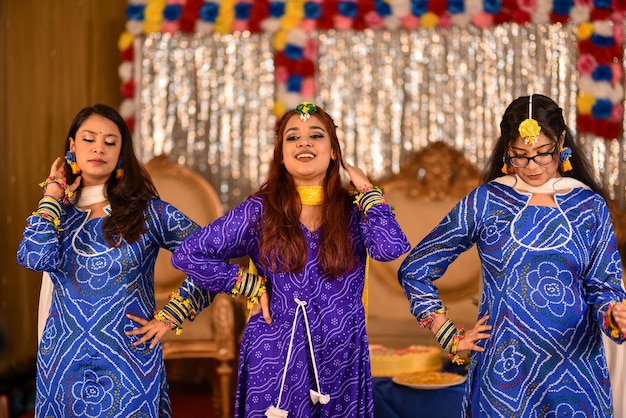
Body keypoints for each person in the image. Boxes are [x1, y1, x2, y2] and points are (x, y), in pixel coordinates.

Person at [170, 102, 411, 417]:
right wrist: (245, 283)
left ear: (335, 152)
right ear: (281, 155)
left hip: (340, 357)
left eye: (316, 135)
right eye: (292, 137)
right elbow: (188, 253)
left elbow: (389, 249)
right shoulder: (259, 211)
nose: (304, 143)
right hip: (276, 352)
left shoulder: (355, 211)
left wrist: (367, 190)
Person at [398, 94, 626, 417]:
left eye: (543, 154)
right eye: (520, 156)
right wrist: (448, 334)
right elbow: (415, 268)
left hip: (576, 374)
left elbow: (604, 289)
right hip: (504, 375)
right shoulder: (487, 202)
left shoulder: (588, 206)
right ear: (506, 149)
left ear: (561, 141)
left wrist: (614, 315)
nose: (532, 166)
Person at [17, 104, 211, 417]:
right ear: (72, 147)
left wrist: (173, 314)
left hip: (129, 364)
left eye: (110, 142)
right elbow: (34, 256)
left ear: (121, 152)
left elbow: (210, 254)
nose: (98, 148)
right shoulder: (57, 214)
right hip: (63, 364)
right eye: (89, 139)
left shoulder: (148, 212)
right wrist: (52, 195)